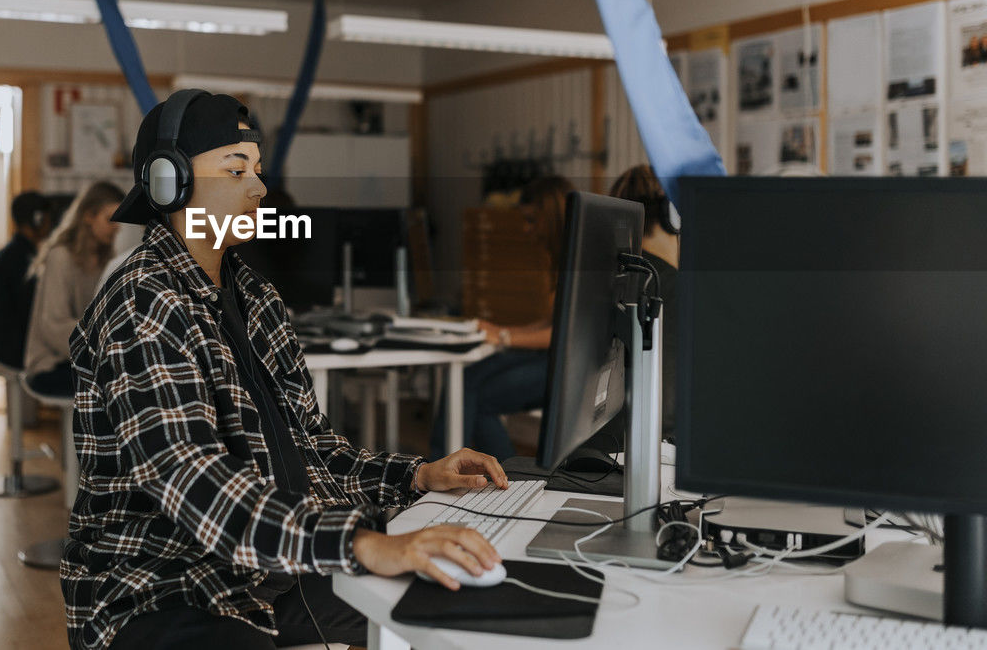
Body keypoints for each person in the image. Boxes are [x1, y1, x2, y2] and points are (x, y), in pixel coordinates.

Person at [63, 90, 507, 650]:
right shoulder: (144, 302)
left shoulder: (256, 297)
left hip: (266, 570)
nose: (259, 187)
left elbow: (308, 448)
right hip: (160, 587)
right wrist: (362, 544)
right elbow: (189, 478)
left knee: (453, 606)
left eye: (257, 168)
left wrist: (417, 477)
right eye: (234, 167)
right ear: (168, 183)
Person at [430, 175, 576, 461]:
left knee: (474, 395)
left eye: (532, 220)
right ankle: (447, 463)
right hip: (553, 355)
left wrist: (506, 337)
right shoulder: (561, 257)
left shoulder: (578, 262)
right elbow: (552, 321)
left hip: (566, 364)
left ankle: (491, 473)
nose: (525, 229)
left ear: (553, 217)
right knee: (467, 376)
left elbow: (562, 333)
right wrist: (499, 330)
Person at [23, 181, 125, 397]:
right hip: (48, 365)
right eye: (110, 219)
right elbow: (53, 326)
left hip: (80, 359)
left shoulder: (106, 259)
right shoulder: (60, 257)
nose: (117, 226)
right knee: (122, 385)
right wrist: (105, 345)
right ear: (88, 216)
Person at [607, 164, 679, 443]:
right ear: (671, 215)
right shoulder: (668, 284)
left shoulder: (614, 274)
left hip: (612, 442)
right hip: (657, 445)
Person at [0, 191, 53, 370]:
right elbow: (31, 311)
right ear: (38, 219)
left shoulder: (12, 253)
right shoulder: (21, 259)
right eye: (48, 218)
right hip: (7, 350)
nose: (50, 224)